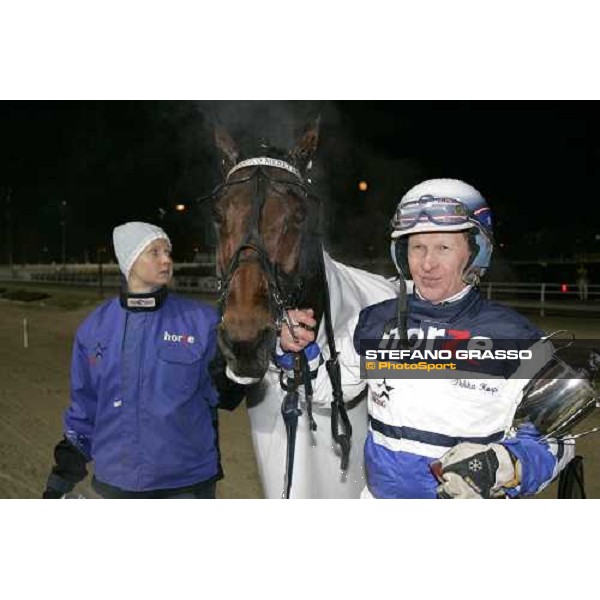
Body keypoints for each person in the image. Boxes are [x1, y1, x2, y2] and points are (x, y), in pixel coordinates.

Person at [278, 179, 575, 498]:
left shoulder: (517, 338)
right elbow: (328, 391)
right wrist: (298, 350)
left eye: (443, 248)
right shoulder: (374, 323)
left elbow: (559, 440)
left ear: (476, 252)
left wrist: (507, 464)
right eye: (417, 247)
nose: (427, 263)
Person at [43, 221, 247, 499]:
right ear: (130, 260)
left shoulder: (202, 322)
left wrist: (251, 356)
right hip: (114, 485)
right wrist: (60, 479)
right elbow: (84, 410)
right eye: (155, 252)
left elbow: (228, 394)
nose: (167, 260)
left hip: (187, 485)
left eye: (168, 251)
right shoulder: (93, 329)